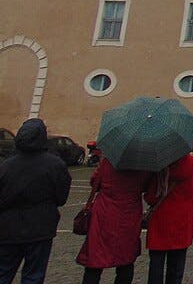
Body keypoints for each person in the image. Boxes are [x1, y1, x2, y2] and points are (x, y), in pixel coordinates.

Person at [0, 118, 72, 284]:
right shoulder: (55, 165)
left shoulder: (6, 166)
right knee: (34, 276)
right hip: (40, 228)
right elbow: (61, 198)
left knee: (3, 272)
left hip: (8, 228)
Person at [76, 156, 150, 284]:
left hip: (104, 214)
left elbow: (94, 182)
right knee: (126, 259)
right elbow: (147, 186)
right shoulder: (143, 166)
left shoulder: (108, 161)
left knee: (95, 258)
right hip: (129, 215)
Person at [144, 153, 193, 284]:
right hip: (182, 222)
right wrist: (188, 206)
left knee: (156, 266)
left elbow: (150, 197)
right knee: (176, 269)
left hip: (159, 222)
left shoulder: (158, 166)